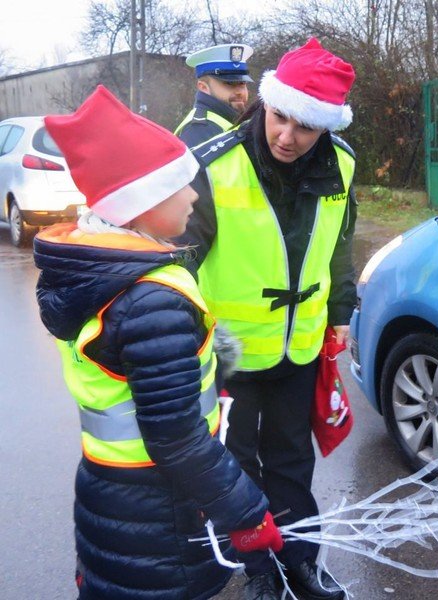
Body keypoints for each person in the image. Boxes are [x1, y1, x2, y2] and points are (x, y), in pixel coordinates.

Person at [33, 85, 285, 599]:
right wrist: (246, 511)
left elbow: (131, 381)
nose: (195, 196)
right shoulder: (151, 299)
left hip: (114, 497)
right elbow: (175, 439)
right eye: (182, 186)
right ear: (141, 205)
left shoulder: (98, 273)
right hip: (162, 515)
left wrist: (208, 367)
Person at [176, 38, 357, 600]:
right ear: (264, 104)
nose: (287, 137)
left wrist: (342, 310)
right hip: (228, 346)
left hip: (297, 344)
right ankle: (259, 569)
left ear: (324, 128)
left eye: (305, 128)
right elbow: (181, 257)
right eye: (280, 118)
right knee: (236, 466)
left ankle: (300, 562)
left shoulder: (343, 165)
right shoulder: (216, 162)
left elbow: (340, 246)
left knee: (291, 462)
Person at [175, 43, 254, 147]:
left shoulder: (231, 121)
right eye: (229, 83)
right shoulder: (199, 130)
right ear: (203, 87)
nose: (239, 92)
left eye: (242, 83)